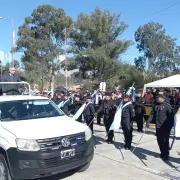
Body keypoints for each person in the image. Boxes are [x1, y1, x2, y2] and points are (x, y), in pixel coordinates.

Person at [147, 94, 173, 161]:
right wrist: (148, 121)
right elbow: (152, 114)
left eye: (159, 98)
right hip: (158, 126)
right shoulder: (156, 105)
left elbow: (171, 117)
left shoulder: (167, 106)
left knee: (165, 141)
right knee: (159, 140)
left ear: (163, 99)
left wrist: (169, 127)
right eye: (157, 98)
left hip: (165, 126)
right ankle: (162, 153)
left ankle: (166, 155)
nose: (157, 99)